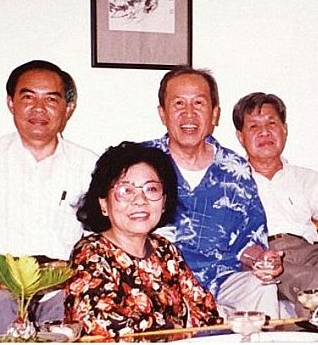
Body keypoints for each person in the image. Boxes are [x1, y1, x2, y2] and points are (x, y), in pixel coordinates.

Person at [0, 60, 98, 338]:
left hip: (61, 284)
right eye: (28, 98)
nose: (39, 109)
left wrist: (72, 273)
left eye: (51, 99)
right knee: (2, 308)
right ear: (11, 103)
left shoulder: (89, 165)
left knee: (81, 311)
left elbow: (99, 237)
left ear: (68, 108)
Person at [142, 67, 280, 318]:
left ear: (214, 114)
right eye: (179, 104)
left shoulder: (236, 169)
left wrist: (262, 260)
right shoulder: (140, 163)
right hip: (157, 283)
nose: (189, 113)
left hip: (222, 283)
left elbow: (249, 240)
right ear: (162, 113)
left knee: (263, 285)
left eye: (199, 103)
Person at [232, 92, 318, 314]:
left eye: (271, 123)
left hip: (311, 254)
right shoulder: (231, 182)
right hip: (266, 260)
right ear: (240, 137)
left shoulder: (306, 178)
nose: (265, 132)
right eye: (254, 126)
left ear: (284, 129)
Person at [65, 142, 221, 339]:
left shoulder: (165, 250)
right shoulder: (90, 253)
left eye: (151, 189)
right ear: (103, 203)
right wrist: (179, 334)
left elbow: (206, 314)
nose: (140, 200)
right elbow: (103, 326)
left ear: (164, 202)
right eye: (126, 190)